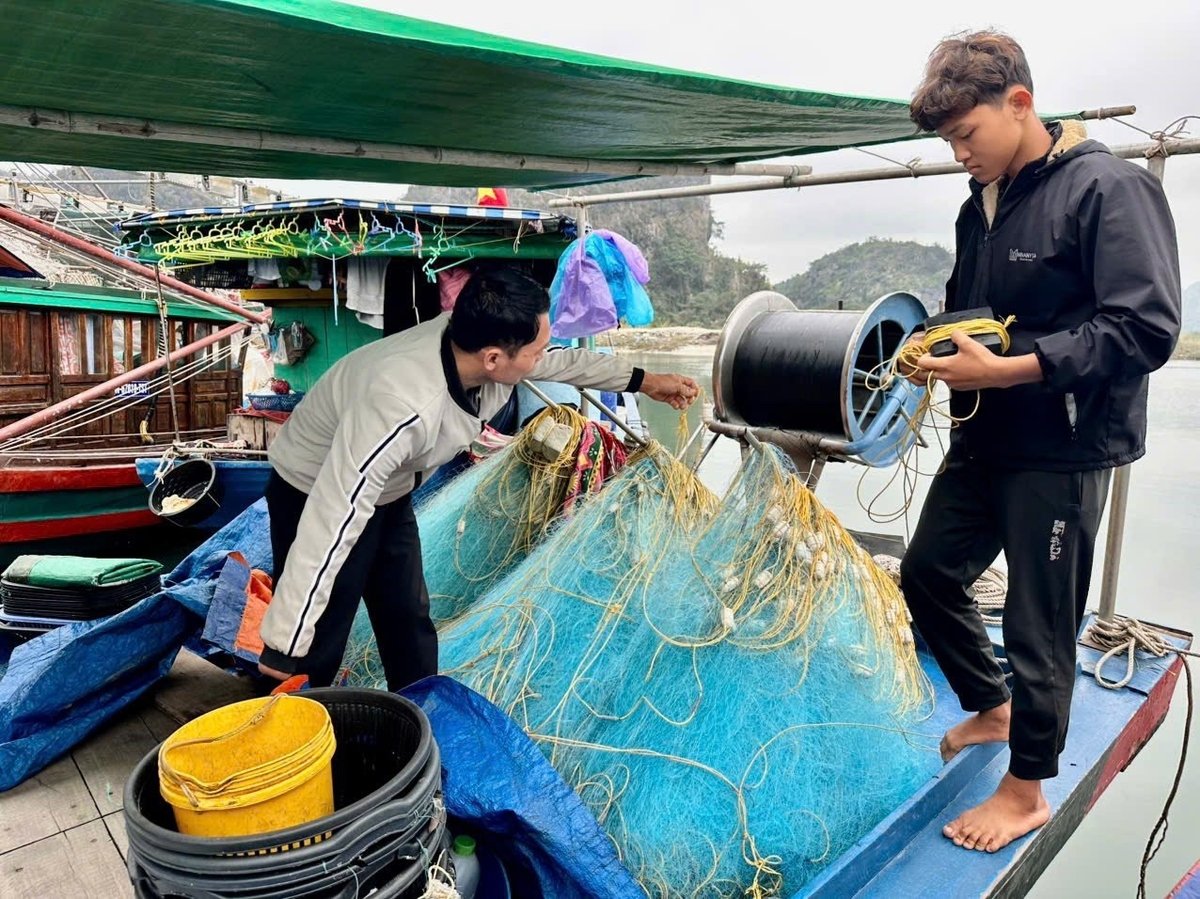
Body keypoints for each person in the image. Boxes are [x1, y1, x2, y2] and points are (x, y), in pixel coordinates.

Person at [900, 31, 1180, 853]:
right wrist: (936, 354)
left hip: (1062, 445)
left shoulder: (1110, 189)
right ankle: (992, 705)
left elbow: (1146, 328)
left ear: (1019, 102)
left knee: (1040, 618)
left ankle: (1026, 790)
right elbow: (971, 310)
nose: (958, 155)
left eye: (965, 135)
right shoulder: (978, 203)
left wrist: (1015, 369)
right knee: (927, 573)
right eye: (948, 141)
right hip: (985, 433)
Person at [256, 266, 699, 691]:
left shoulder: (473, 340)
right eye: (536, 352)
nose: (543, 358)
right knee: (320, 633)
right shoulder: (400, 404)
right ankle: (295, 730)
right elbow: (333, 516)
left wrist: (644, 381)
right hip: (312, 488)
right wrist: (282, 644)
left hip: (387, 490)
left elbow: (564, 363)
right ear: (493, 359)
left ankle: (421, 711)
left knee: (407, 615)